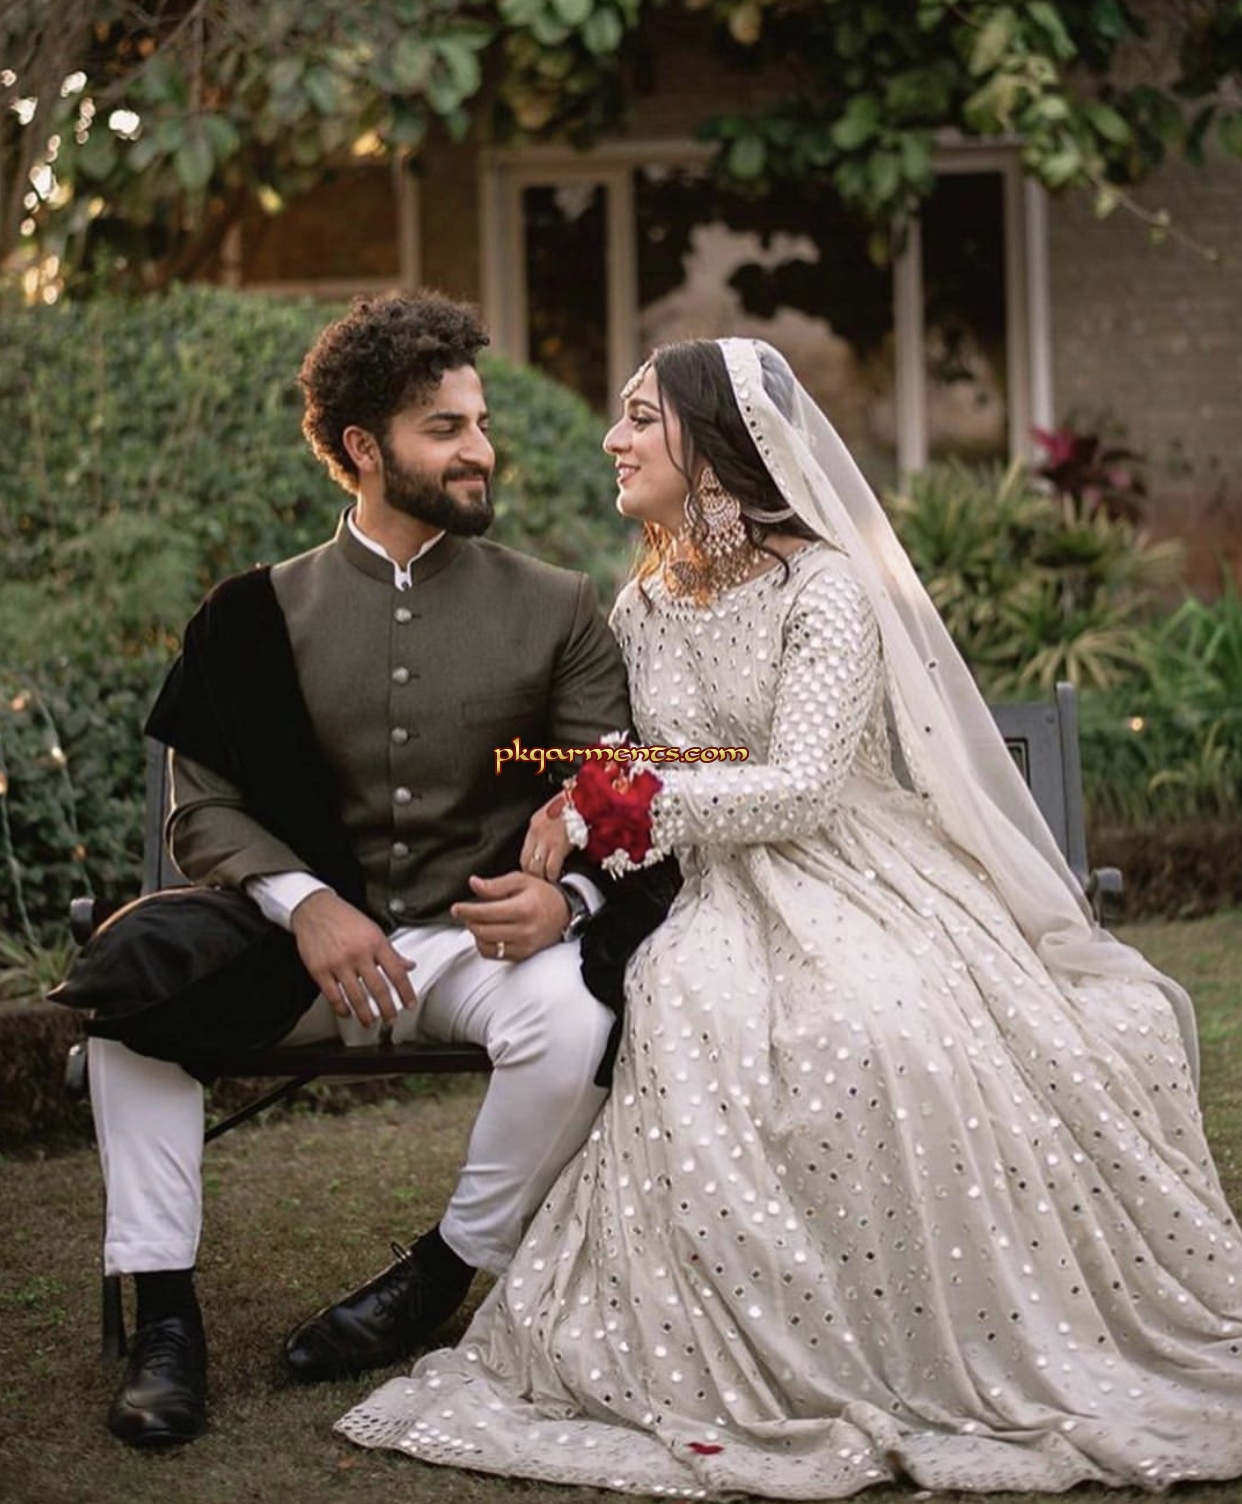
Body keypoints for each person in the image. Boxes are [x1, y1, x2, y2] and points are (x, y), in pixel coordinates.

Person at [335, 337, 1242, 1497]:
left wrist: (633, 801)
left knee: (880, 1025)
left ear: (717, 448)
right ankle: (748, 1331)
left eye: (640, 418)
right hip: (722, 890)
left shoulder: (826, 588)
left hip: (858, 871)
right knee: (691, 999)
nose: (613, 438)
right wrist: (583, 796)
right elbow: (652, 764)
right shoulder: (644, 603)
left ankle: (900, 1331)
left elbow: (804, 787)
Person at [52, 292, 635, 1449]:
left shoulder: (557, 606)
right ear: (364, 448)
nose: (479, 450)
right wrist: (308, 903)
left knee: (575, 1017)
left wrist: (564, 893)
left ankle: (439, 1273)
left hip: (471, 947)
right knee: (132, 1012)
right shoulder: (251, 614)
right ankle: (164, 1317)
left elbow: (608, 795)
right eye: (445, 428)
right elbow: (201, 809)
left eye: (479, 423)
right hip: (300, 957)